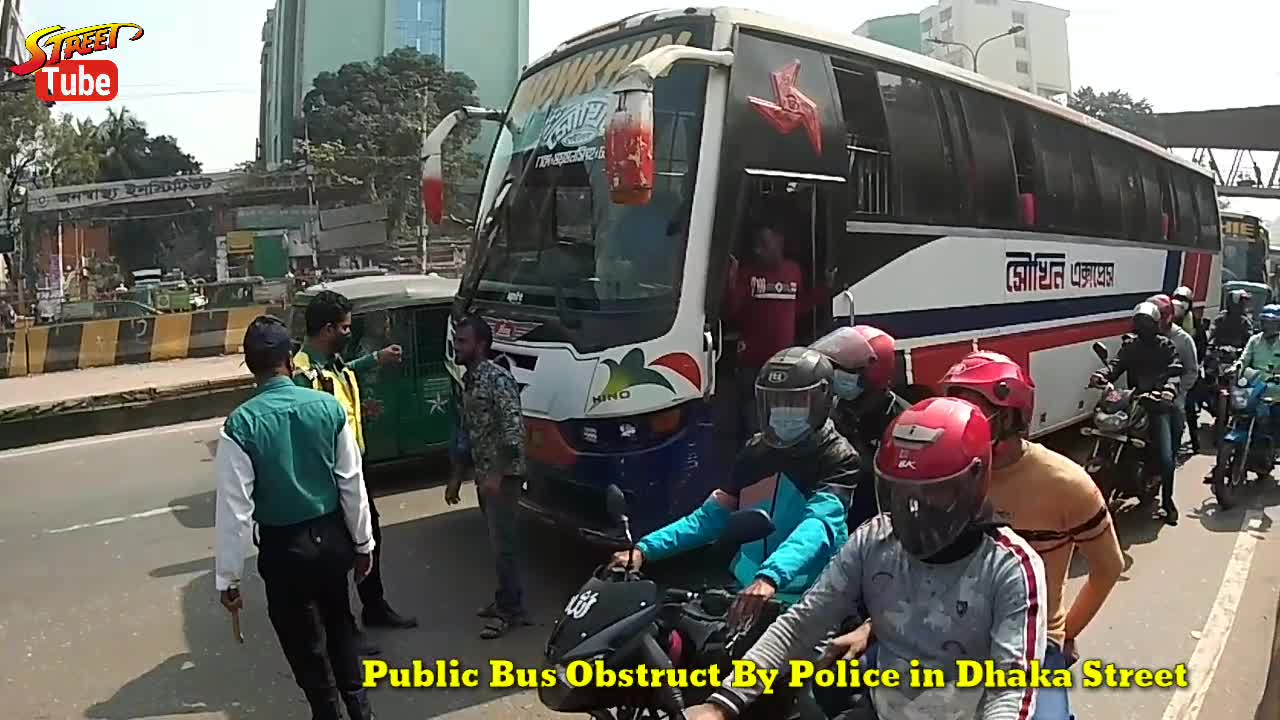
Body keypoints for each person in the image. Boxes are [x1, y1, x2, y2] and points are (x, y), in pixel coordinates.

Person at [685, 396, 1048, 720]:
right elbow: (804, 623)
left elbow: (1012, 688)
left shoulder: (1011, 567)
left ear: (973, 481)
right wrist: (723, 702)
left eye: (933, 492)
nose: (913, 508)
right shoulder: (875, 539)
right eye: (900, 491)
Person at [610, 347, 862, 629]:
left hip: (805, 596)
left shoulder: (839, 457)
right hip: (744, 590)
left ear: (820, 401)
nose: (782, 412)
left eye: (794, 402)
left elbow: (817, 526)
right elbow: (711, 516)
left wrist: (770, 577)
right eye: (775, 401)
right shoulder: (756, 451)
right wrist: (644, 550)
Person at [940, 351, 1124, 720]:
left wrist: (1063, 632)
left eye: (976, 412)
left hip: (1034, 646)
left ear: (1012, 417)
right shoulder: (942, 472)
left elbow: (1108, 567)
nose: (963, 423)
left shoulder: (1067, 484)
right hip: (942, 633)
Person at [214, 316, 377, 720]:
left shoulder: (240, 426)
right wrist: (364, 544)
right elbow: (351, 486)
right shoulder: (328, 409)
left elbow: (235, 513)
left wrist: (228, 579)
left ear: (250, 365)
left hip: (284, 550)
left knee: (303, 643)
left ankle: (327, 712)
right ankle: (360, 709)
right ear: (289, 360)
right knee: (340, 625)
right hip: (331, 540)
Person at [294, 290, 417, 658]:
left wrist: (375, 360)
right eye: (345, 327)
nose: (350, 332)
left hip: (355, 471)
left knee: (369, 538)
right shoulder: (302, 373)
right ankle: (342, 630)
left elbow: (346, 376)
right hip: (328, 478)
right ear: (328, 329)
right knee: (336, 555)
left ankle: (374, 607)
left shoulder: (332, 362)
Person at [444, 314, 530, 639]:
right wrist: (457, 476)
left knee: (504, 545)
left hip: (503, 477)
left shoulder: (498, 379)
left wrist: (495, 475)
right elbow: (469, 432)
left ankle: (512, 612)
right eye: (456, 340)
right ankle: (505, 600)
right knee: (497, 544)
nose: (456, 346)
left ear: (480, 345)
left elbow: (513, 433)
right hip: (484, 475)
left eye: (462, 341)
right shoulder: (471, 380)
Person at [723, 222, 832, 443]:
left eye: (764, 243)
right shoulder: (748, 274)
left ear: (779, 241)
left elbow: (797, 307)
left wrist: (825, 291)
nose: (758, 250)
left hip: (784, 363)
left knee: (781, 421)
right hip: (752, 363)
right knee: (753, 422)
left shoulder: (793, 271)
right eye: (756, 245)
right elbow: (731, 312)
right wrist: (732, 281)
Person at [1090, 302, 1183, 525]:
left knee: (1166, 458)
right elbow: (1116, 365)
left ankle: (1168, 504)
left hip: (1158, 403)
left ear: (1156, 324)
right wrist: (1102, 375)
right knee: (1106, 431)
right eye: (1139, 323)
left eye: (1146, 323)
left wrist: (1169, 388)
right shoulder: (1131, 346)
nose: (1142, 327)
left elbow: (1175, 367)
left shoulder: (1165, 346)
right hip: (1134, 401)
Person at [808, 325, 909, 528]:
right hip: (832, 517)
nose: (835, 374)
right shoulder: (834, 408)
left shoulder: (903, 421)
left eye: (844, 370)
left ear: (872, 372)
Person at [1204, 304, 1280, 485]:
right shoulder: (1255, 340)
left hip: (1275, 394)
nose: (1267, 326)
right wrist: (1233, 369)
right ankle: (1220, 466)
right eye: (1265, 322)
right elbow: (1243, 360)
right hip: (1252, 389)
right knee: (1231, 422)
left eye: (1272, 323)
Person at [1150, 293, 1199, 456]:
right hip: (1147, 392)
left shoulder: (1183, 340)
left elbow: (1191, 371)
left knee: (1173, 427)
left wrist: (1177, 392)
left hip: (1172, 395)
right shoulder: (1144, 337)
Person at [1171, 286, 1208, 451]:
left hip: (1187, 369)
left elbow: (1201, 347)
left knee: (1189, 406)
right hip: (1167, 368)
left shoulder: (1195, 324)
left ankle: (1195, 443)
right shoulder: (1167, 321)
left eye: (1184, 300)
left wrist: (1193, 364)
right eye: (1178, 298)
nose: (1181, 303)